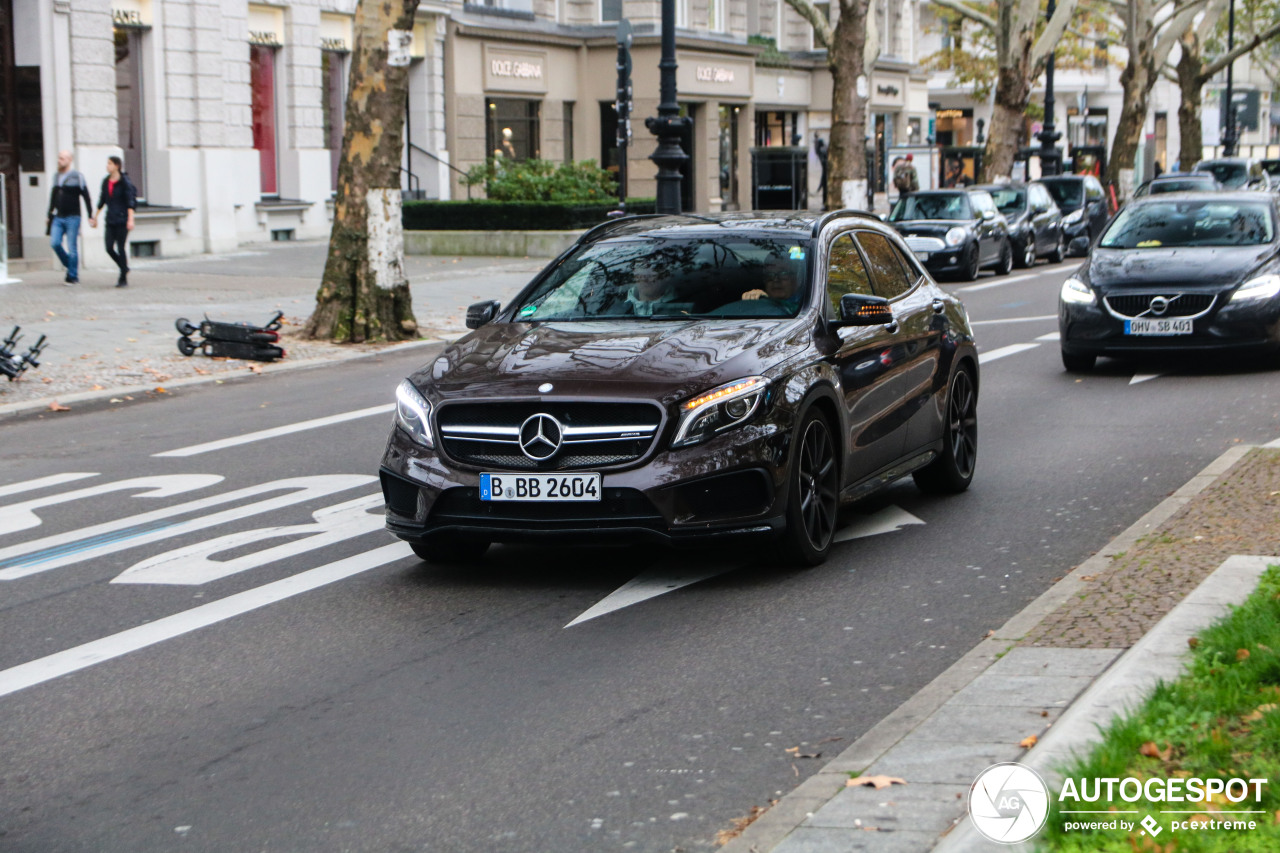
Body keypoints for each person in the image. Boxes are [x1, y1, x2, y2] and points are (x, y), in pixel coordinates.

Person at [47, 150, 95, 285]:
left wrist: (90, 215)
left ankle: (72, 276)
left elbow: (86, 196)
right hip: (58, 216)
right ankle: (70, 265)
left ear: (69, 160)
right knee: (55, 243)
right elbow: (53, 196)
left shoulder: (77, 176)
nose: (59, 160)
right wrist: (49, 214)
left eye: (62, 158)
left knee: (72, 247)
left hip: (73, 217)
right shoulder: (56, 176)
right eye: (58, 158)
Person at [94, 156, 137, 287]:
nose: (107, 166)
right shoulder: (106, 182)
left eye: (110, 163)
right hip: (111, 219)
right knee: (108, 247)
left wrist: (130, 219)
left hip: (122, 219)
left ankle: (123, 278)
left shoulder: (124, 182)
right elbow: (102, 201)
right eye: (107, 163)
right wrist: (95, 216)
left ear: (117, 166)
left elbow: (130, 201)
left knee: (121, 247)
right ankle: (124, 267)